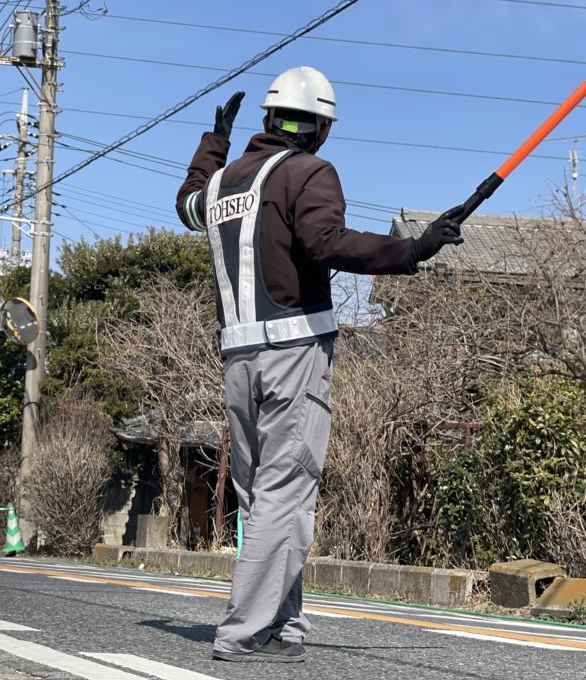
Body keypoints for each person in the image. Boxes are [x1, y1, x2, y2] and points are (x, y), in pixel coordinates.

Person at [175, 66, 463, 663]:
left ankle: (283, 626)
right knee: (286, 494)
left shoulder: (223, 184)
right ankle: (244, 631)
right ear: (321, 129)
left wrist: (213, 144)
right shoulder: (310, 172)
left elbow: (187, 202)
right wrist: (413, 248)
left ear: (267, 119)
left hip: (237, 360)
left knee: (260, 496)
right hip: (294, 354)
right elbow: (326, 243)